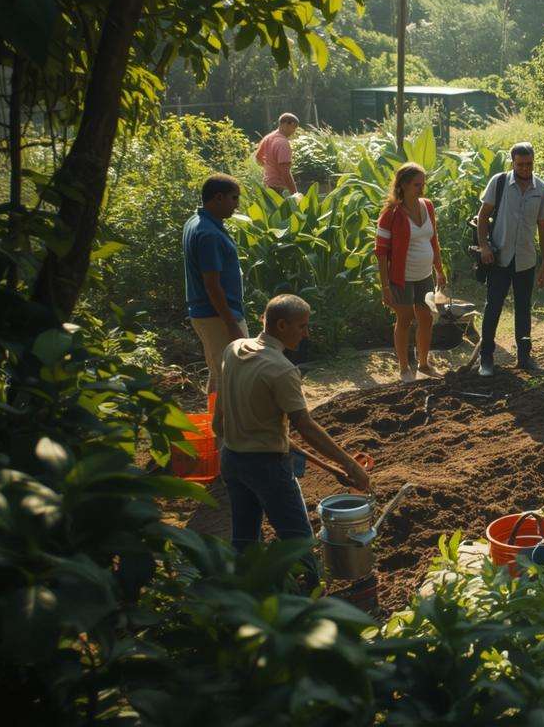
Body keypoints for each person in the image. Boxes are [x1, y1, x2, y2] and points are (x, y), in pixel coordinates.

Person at [213, 294, 371, 588]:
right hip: (267, 468)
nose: (306, 333)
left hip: (232, 459)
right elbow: (305, 427)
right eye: (302, 326)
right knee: (298, 541)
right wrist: (350, 464)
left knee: (244, 539)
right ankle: (311, 601)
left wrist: (331, 468)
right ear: (282, 325)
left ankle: (243, 595)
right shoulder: (282, 370)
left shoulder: (233, 350)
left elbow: (219, 422)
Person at [474, 142, 544, 377]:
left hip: (526, 260)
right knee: (493, 308)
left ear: (533, 161)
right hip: (499, 258)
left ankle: (525, 357)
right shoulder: (499, 183)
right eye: (520, 164)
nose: (525, 169)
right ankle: (486, 358)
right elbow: (482, 217)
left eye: (529, 164)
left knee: (523, 309)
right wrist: (484, 246)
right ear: (513, 163)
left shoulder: (542, 189)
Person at [374, 162, 447, 383]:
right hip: (401, 279)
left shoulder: (428, 206)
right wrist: (386, 287)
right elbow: (381, 253)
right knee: (404, 320)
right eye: (417, 184)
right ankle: (404, 368)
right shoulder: (391, 214)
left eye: (423, 184)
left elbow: (433, 240)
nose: (421, 189)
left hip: (424, 276)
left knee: (426, 319)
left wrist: (439, 270)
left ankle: (424, 364)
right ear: (404, 185)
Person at [183, 174, 246, 397]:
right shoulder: (208, 234)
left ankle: (217, 426)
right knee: (236, 372)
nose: (236, 205)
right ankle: (225, 428)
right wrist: (231, 323)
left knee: (218, 374)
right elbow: (212, 284)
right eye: (234, 198)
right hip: (217, 315)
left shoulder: (197, 222)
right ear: (218, 198)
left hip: (209, 313)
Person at [254, 112, 300, 195]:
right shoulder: (283, 143)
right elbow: (285, 172)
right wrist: (294, 193)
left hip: (268, 185)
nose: (294, 131)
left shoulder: (268, 138)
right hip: (279, 188)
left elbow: (258, 158)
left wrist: (270, 168)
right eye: (294, 127)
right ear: (286, 124)